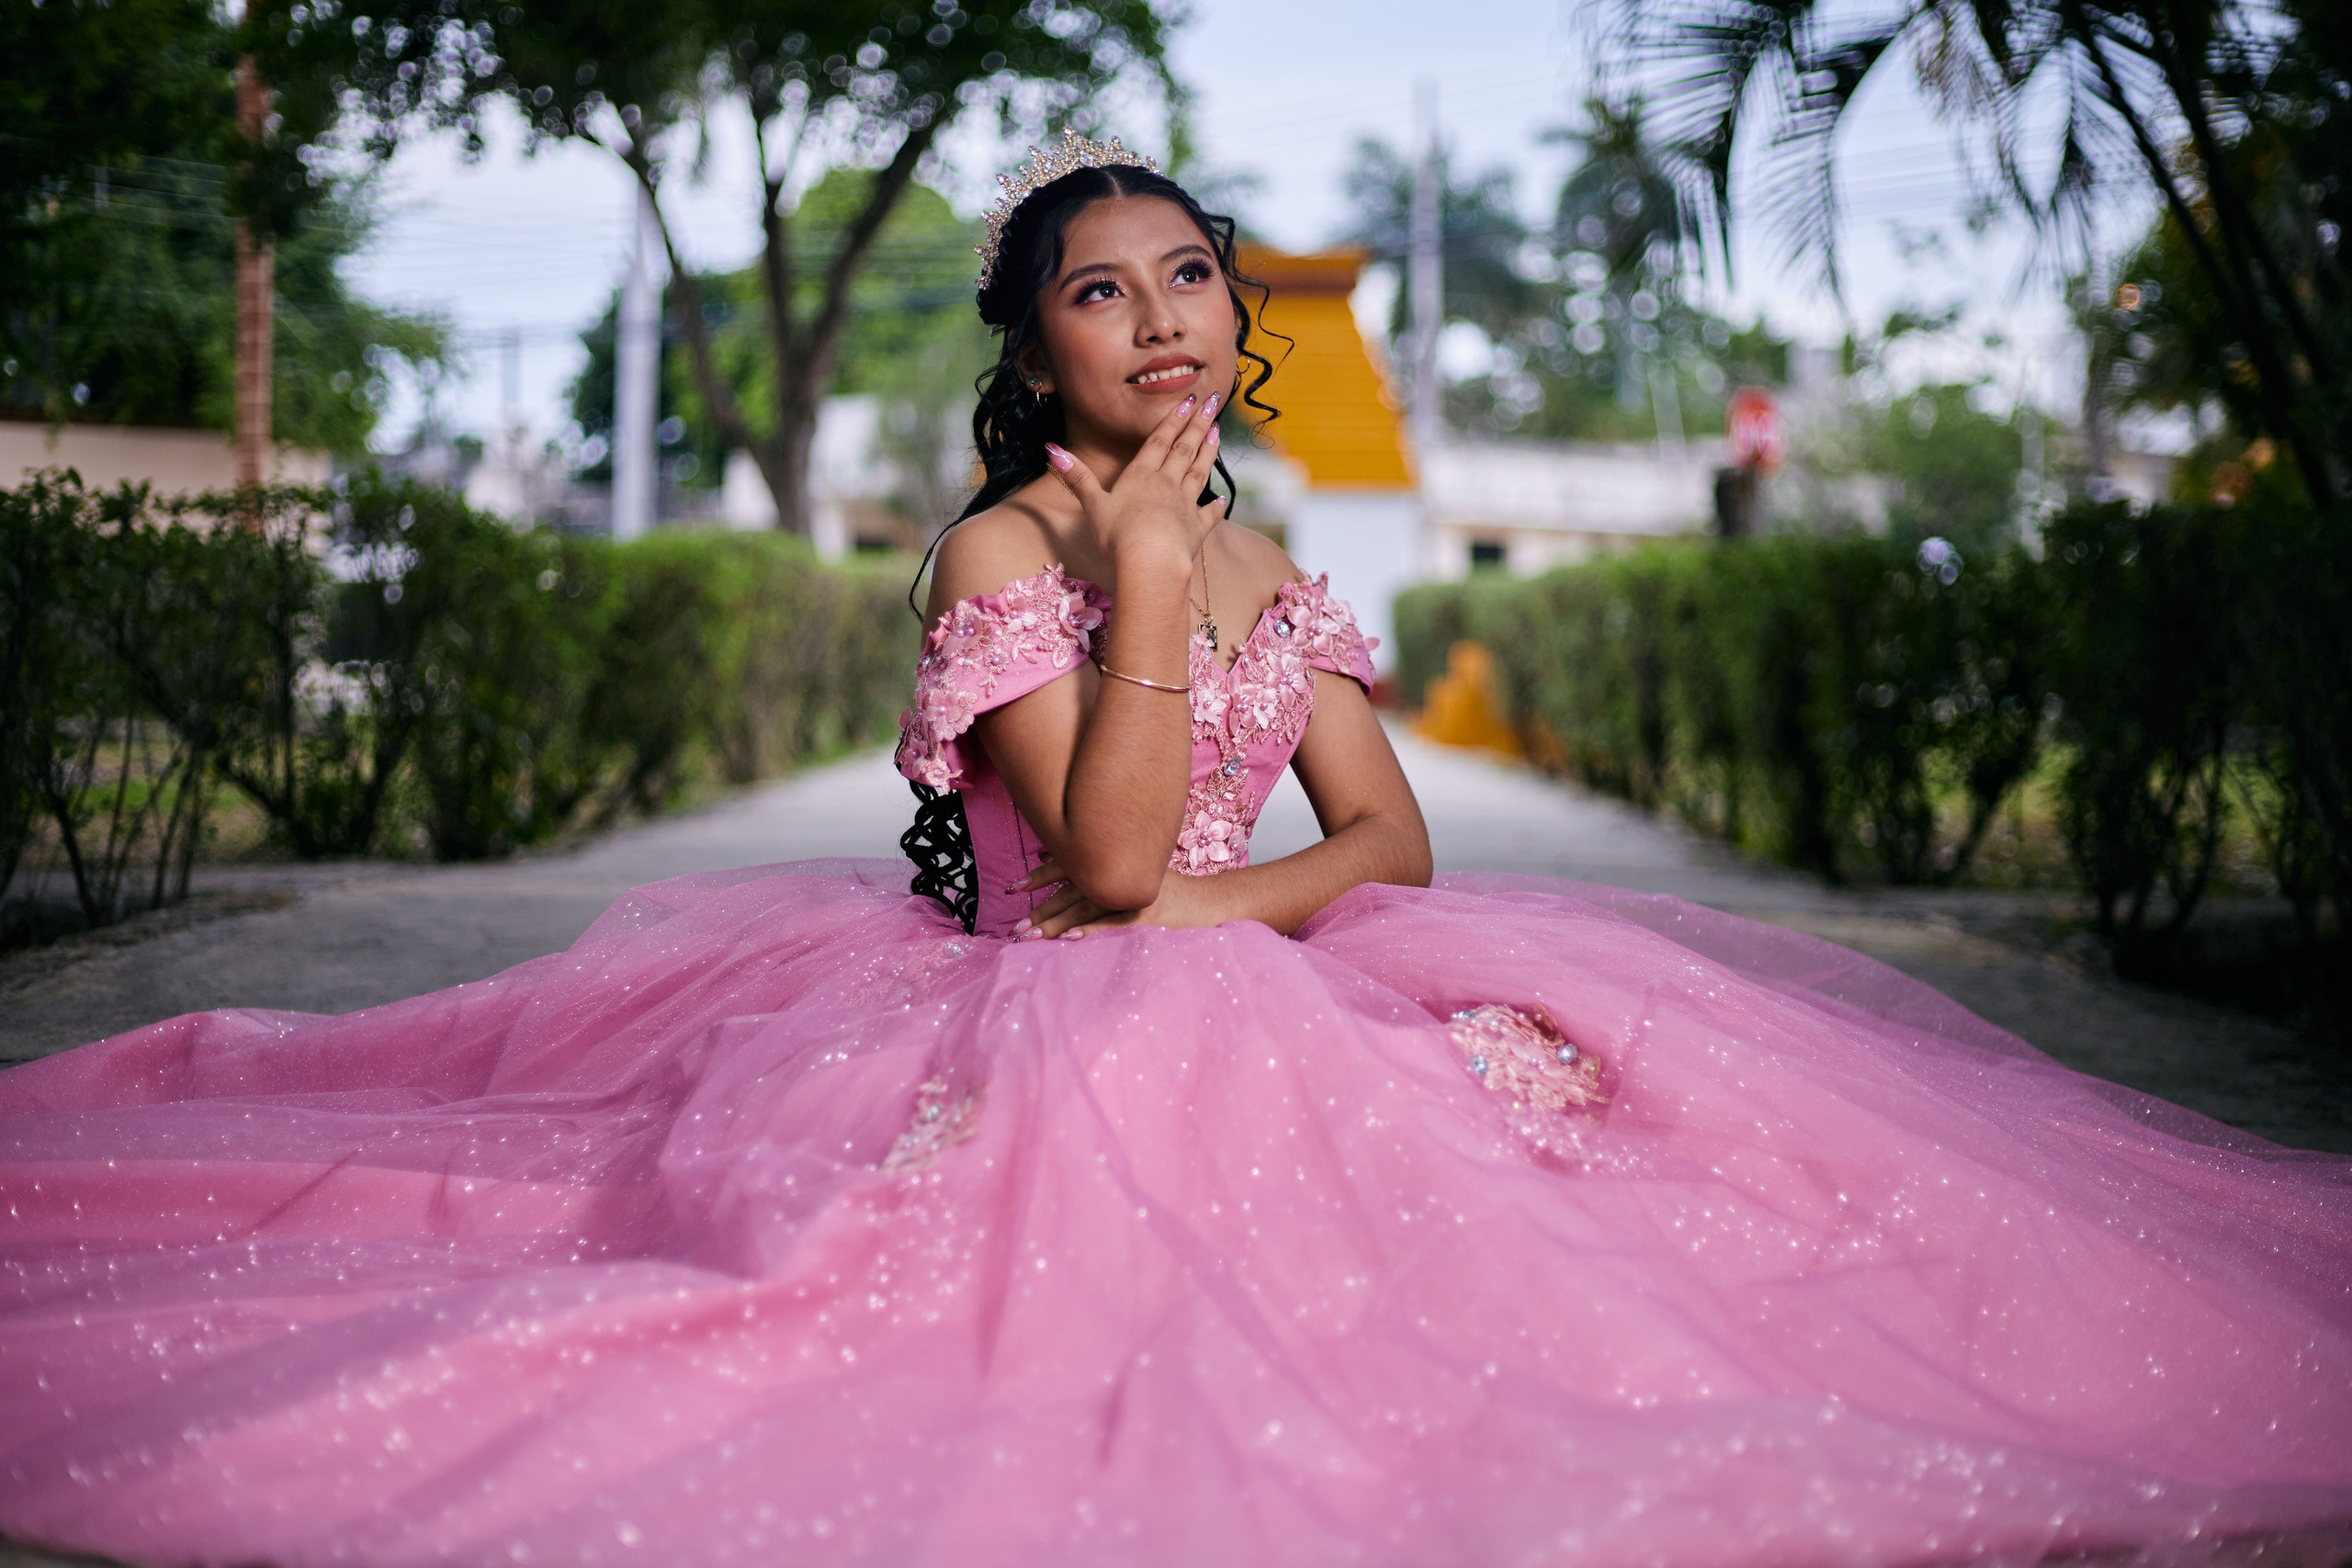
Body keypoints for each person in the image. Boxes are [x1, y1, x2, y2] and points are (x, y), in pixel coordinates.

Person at [2, 135, 2348, 1568]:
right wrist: (1139, 590)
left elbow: (1391, 835)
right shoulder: (1003, 549)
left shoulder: (1270, 552)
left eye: (1187, 276)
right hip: (1008, 1013)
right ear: (1032, 350)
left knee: (1626, 1139)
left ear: (1238, 315)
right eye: (1098, 289)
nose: (1157, 318)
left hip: (1230, 966)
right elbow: (1103, 873)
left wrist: (1230, 892)